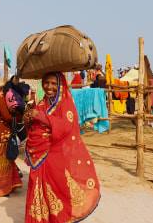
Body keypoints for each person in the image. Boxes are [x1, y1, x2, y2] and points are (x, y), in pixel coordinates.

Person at [23, 72, 101, 222]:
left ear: (60, 85)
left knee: (58, 191)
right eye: (46, 83)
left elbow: (66, 126)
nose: (49, 87)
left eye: (53, 83)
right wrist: (28, 118)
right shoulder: (42, 102)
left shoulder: (65, 104)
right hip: (38, 155)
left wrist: (39, 116)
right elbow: (34, 128)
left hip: (56, 155)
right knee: (38, 189)